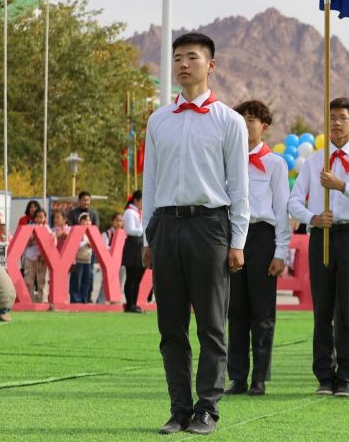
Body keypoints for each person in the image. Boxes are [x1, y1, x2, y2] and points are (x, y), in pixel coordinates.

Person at [142, 32, 250, 435]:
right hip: (166, 226)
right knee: (171, 326)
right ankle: (179, 409)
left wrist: (237, 241)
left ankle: (207, 409)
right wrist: (149, 236)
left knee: (211, 324)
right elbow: (150, 182)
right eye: (177, 58)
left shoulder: (230, 121)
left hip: (210, 226)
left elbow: (238, 186)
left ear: (211, 65)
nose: (183, 64)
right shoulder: (158, 120)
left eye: (192, 57)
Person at [288, 96, 349, 398]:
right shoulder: (315, 160)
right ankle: (324, 375)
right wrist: (313, 218)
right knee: (323, 308)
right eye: (332, 117)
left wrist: (341, 185)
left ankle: (346, 375)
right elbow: (293, 201)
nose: (337, 123)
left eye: (343, 118)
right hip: (323, 236)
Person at [226, 100, 291, 397]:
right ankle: (237, 377)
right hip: (233, 238)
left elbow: (281, 210)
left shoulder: (275, 163)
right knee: (235, 311)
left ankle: (260, 378)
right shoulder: (227, 160)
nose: (245, 124)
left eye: (251, 119)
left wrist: (280, 252)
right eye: (241, 118)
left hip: (262, 237)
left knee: (262, 313)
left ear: (264, 127)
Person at [122, 191, 145, 313]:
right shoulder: (129, 212)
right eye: (142, 200)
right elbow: (130, 230)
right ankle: (130, 304)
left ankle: (134, 304)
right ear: (136, 200)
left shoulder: (138, 213)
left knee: (138, 278)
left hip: (140, 245)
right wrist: (145, 229)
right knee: (132, 277)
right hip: (133, 245)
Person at [23, 208, 50, 303]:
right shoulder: (29, 227)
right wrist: (32, 238)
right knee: (28, 280)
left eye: (41, 217)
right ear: (34, 218)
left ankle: (42, 300)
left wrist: (43, 254)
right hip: (30, 257)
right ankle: (28, 300)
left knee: (42, 281)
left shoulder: (47, 228)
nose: (39, 219)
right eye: (37, 217)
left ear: (45, 218)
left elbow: (49, 243)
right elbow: (25, 242)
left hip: (42, 258)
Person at [98, 212, 125, 304]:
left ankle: (114, 301)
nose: (119, 223)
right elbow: (104, 247)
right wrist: (115, 249)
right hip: (109, 262)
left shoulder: (124, 234)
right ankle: (100, 301)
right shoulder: (107, 233)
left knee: (119, 281)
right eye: (117, 220)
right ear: (112, 221)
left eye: (121, 221)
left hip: (121, 262)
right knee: (106, 282)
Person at [69, 213, 95, 303]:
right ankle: (75, 300)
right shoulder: (77, 232)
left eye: (89, 220)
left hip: (88, 261)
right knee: (76, 281)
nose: (88, 222)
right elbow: (75, 245)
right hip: (78, 261)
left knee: (86, 282)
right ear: (80, 222)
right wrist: (86, 243)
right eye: (85, 220)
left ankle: (84, 300)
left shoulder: (91, 233)